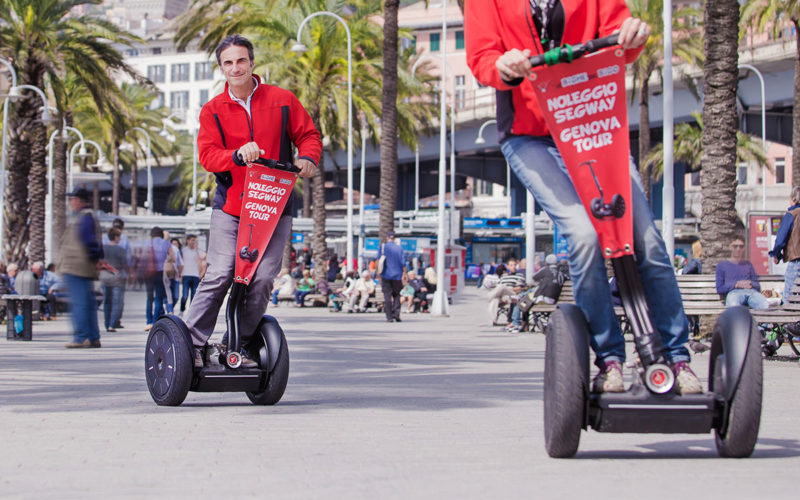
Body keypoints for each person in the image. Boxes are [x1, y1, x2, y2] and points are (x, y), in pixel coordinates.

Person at [465, 1, 701, 394]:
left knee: (646, 240)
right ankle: (609, 359)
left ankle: (677, 358)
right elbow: (481, 57)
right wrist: (503, 65)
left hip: (590, 120)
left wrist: (634, 35)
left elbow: (620, 32)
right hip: (530, 135)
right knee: (584, 235)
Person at [184, 34, 321, 368]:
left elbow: (308, 135)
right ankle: (192, 345)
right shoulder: (212, 111)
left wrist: (308, 158)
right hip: (231, 208)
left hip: (273, 207)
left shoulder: (283, 100)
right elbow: (208, 156)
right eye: (228, 63)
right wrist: (236, 155)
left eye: (241, 60)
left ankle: (238, 346)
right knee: (221, 273)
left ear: (252, 62)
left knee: (261, 279)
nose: (236, 68)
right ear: (221, 68)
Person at [58, 188, 104, 348]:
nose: (70, 202)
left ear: (80, 200)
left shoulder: (84, 218)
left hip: (76, 266)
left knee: (79, 303)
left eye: (73, 199)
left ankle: (81, 336)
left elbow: (90, 241)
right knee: (88, 302)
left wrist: (94, 258)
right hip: (82, 266)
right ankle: (92, 337)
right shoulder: (87, 217)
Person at [716, 237, 769, 310]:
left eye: (741, 246)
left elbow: (757, 285)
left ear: (744, 248)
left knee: (764, 305)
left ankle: (764, 322)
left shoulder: (748, 264)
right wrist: (736, 284)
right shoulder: (722, 265)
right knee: (734, 305)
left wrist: (750, 283)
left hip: (751, 292)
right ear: (730, 247)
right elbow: (720, 289)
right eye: (735, 246)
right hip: (734, 293)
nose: (738, 249)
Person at [144, 227, 175, 331]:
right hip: (160, 273)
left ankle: (148, 321)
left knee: (149, 298)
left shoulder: (147, 243)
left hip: (148, 273)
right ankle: (155, 322)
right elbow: (173, 258)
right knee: (158, 298)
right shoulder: (165, 243)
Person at [101, 228, 127, 332]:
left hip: (104, 276)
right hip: (117, 277)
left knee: (107, 301)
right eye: (119, 236)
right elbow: (124, 264)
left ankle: (107, 324)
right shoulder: (120, 250)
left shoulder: (102, 248)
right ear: (115, 237)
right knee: (117, 302)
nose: (120, 238)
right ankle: (112, 324)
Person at [377, 231, 405, 322]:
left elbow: (378, 260)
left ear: (387, 238)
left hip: (386, 274)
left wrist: (378, 272)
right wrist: (405, 274)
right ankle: (396, 313)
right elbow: (403, 263)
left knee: (387, 296)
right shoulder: (399, 248)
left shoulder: (383, 247)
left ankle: (389, 317)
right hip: (397, 275)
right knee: (397, 295)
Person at [180, 234, 206, 313]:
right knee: (185, 295)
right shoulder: (183, 251)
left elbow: (201, 261)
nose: (193, 242)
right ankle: (182, 309)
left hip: (195, 276)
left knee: (194, 295)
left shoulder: (199, 251)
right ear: (187, 241)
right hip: (185, 275)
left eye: (194, 240)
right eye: (191, 240)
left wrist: (197, 251)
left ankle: (191, 312)